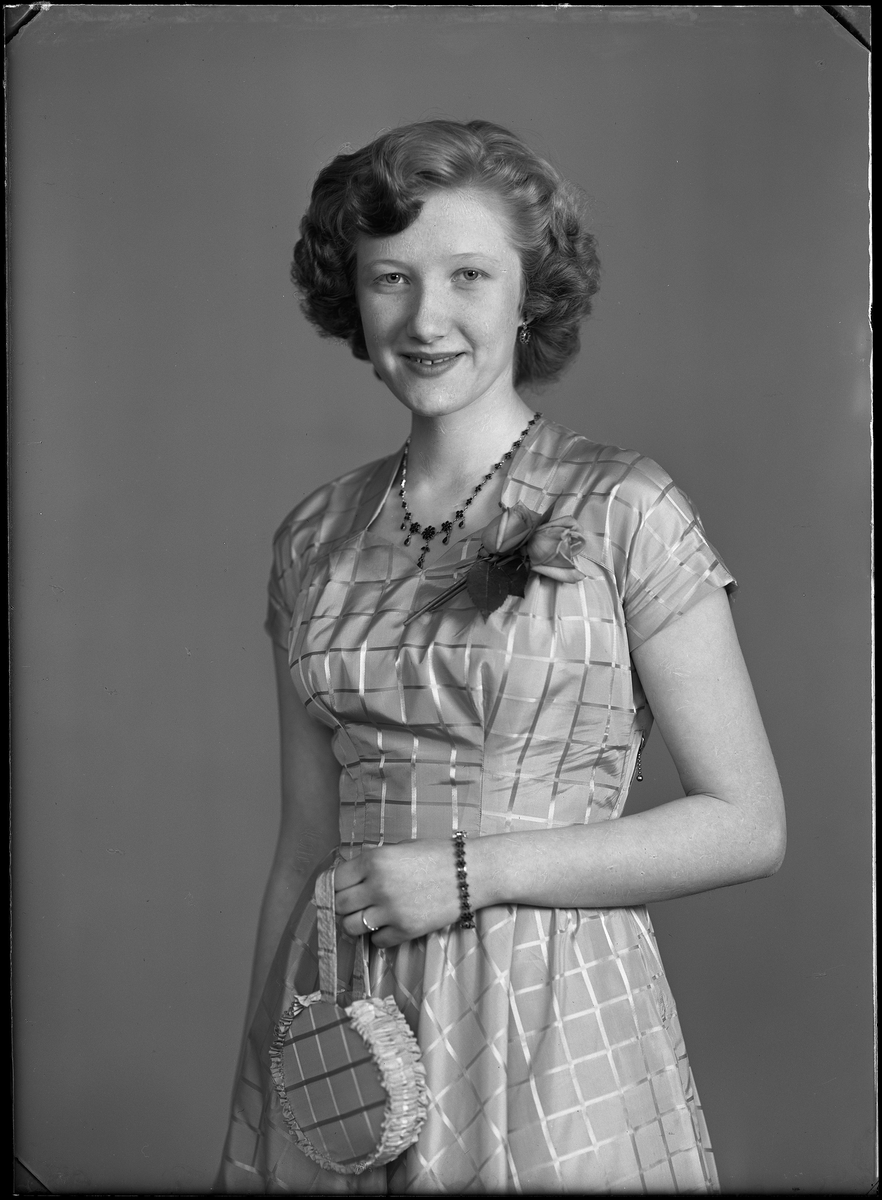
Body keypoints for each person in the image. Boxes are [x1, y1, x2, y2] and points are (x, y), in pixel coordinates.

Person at [216, 118, 785, 1194]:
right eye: (391, 278)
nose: (426, 318)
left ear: (531, 295)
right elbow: (305, 846)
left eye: (468, 275)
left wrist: (471, 875)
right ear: (354, 298)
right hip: (346, 1021)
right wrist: (259, 1104)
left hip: (551, 1016)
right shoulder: (313, 536)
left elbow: (748, 824)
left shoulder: (624, 507)